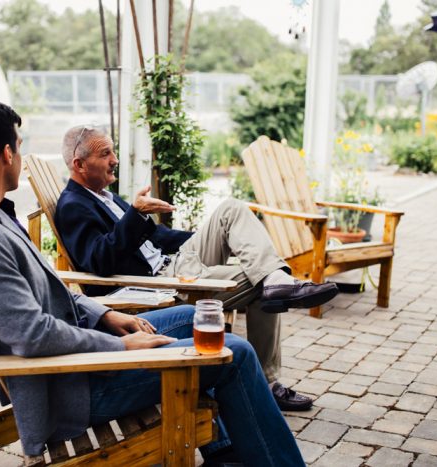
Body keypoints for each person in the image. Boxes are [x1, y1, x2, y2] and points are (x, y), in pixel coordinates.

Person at [0, 99, 305, 466]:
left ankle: (226, 451)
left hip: (82, 350)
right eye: (19, 144)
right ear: (6, 153)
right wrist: (123, 347)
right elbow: (32, 334)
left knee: (194, 317)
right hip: (72, 384)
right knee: (234, 353)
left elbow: (56, 293)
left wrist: (106, 316)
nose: (20, 152)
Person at [55, 125, 340, 412]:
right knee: (260, 283)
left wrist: (208, 236)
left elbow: (156, 238)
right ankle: (267, 382)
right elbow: (99, 262)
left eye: (113, 151)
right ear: (79, 164)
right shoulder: (73, 206)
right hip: (154, 285)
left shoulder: (104, 196)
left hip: (174, 263)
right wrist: (135, 214)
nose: (114, 159)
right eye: (106, 153)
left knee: (231, 210)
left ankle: (277, 278)